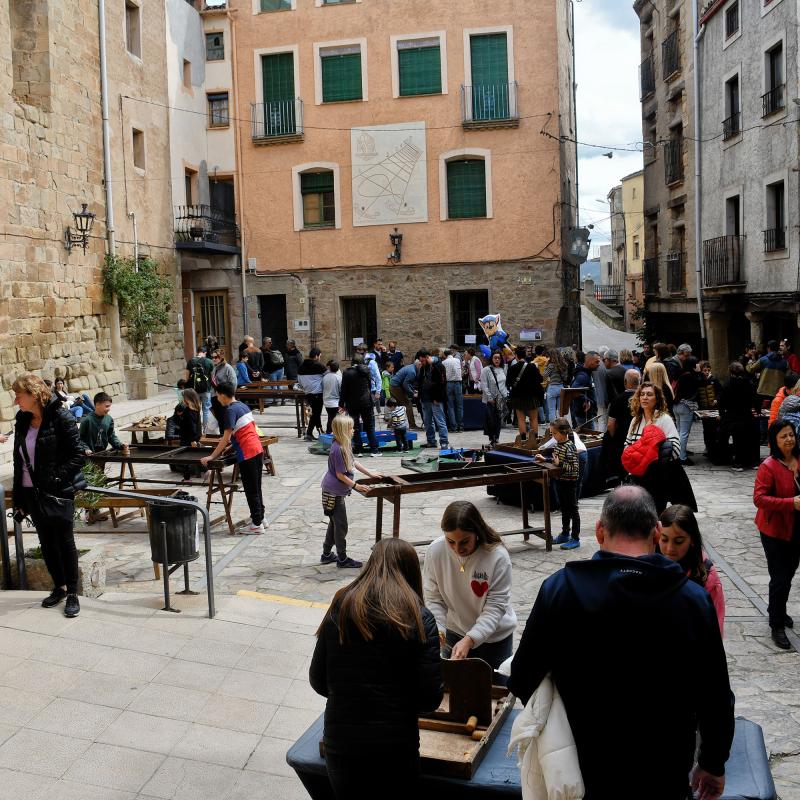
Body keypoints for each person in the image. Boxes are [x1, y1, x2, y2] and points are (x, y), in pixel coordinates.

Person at [508, 486, 735, 800]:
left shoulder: (559, 590)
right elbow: (715, 695)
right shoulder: (692, 600)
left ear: (599, 531)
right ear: (657, 533)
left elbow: (522, 678)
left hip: (586, 775)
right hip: (662, 776)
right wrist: (712, 762)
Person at [310, 538, 443, 798]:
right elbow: (429, 698)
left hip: (342, 744)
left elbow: (318, 680)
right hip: (395, 748)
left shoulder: (341, 604)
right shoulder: (418, 616)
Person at [12, 375, 86, 618]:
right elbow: (18, 462)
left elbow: (78, 455)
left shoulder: (61, 417)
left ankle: (73, 593)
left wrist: (56, 478)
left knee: (65, 542)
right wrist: (19, 500)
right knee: (47, 544)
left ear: (33, 395)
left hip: (57, 492)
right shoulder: (22, 420)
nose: (15, 401)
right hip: (32, 492)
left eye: (19, 396)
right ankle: (60, 588)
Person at [423, 501, 517, 674]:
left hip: (494, 639)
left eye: (464, 542)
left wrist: (471, 639)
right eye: (450, 541)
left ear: (477, 532)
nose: (457, 549)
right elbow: (434, 598)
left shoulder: (497, 556)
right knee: (456, 689)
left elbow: (495, 607)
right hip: (454, 631)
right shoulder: (435, 551)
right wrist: (439, 631)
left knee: (494, 691)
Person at [753, 419, 800, 650]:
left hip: (797, 529)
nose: (789, 439)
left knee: (788, 574)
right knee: (779, 578)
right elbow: (759, 499)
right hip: (775, 530)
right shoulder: (769, 466)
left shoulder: (799, 460)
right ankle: (776, 624)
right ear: (775, 440)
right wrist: (791, 503)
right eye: (784, 436)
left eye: (791, 434)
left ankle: (777, 609)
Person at [201, 382, 266, 535]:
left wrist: (212, 455)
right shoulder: (242, 406)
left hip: (248, 452)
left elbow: (225, 437)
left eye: (217, 395)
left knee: (251, 489)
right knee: (257, 487)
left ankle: (257, 525)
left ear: (223, 394)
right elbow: (244, 431)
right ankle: (261, 518)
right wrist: (232, 447)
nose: (217, 399)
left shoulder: (229, 410)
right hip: (257, 448)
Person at [320, 414, 383, 568]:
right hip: (333, 493)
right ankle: (342, 558)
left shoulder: (343, 444)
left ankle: (327, 554)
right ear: (343, 430)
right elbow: (340, 474)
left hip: (334, 491)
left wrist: (370, 473)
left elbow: (354, 462)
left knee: (334, 524)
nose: (354, 430)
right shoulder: (338, 449)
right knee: (341, 526)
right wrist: (355, 486)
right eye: (351, 428)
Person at [623, 382, 691, 513]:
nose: (645, 397)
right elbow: (627, 445)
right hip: (639, 477)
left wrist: (654, 458)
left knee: (656, 511)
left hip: (659, 478)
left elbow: (676, 448)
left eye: (649, 394)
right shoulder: (635, 421)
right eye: (642, 394)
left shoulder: (664, 419)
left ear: (657, 398)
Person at [659, 505, 726, 635]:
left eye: (678, 541)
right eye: (664, 539)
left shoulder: (706, 577)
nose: (669, 548)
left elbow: (714, 628)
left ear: (692, 540)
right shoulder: (647, 566)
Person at [536, 417, 580, 549]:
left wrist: (559, 463)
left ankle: (575, 538)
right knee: (564, 508)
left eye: (554, 434)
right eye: (552, 434)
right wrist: (546, 459)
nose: (553, 436)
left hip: (569, 482)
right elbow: (556, 460)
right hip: (560, 481)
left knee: (572, 510)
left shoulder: (570, 446)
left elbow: (574, 467)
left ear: (564, 432)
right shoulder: (558, 445)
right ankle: (565, 533)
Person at [718, 362, 761, 471]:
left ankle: (738, 463)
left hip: (733, 416)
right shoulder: (749, 383)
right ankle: (754, 462)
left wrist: (722, 415)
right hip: (747, 414)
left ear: (731, 372)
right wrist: (757, 410)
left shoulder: (727, 384)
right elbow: (756, 398)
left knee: (738, 439)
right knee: (751, 438)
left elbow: (721, 401)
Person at [340, 354, 381, 457]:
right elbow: (370, 386)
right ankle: (374, 450)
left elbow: (344, 390)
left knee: (355, 426)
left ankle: (358, 450)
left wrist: (341, 403)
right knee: (370, 426)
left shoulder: (347, 373)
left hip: (352, 403)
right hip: (366, 402)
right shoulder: (366, 371)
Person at [604, 368, 640, 484]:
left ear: (625, 382)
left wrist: (615, 438)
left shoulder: (617, 400)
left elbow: (611, 424)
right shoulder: (644, 398)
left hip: (622, 438)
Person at [506, 345, 544, 443]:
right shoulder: (532, 366)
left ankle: (523, 440)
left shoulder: (512, 368)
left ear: (516, 356)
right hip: (532, 396)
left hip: (518, 397)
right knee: (534, 419)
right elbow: (540, 379)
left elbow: (508, 383)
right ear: (525, 355)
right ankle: (535, 439)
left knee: (521, 419)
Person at [417, 349, 449, 449]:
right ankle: (431, 441)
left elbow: (442, 383)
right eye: (420, 361)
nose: (421, 363)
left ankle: (444, 442)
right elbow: (421, 382)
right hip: (425, 398)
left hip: (435, 399)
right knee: (427, 421)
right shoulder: (423, 368)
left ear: (427, 358)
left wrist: (437, 397)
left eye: (422, 360)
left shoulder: (438, 366)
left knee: (440, 421)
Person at [479, 350, 507, 448]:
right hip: (490, 398)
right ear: (492, 359)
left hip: (501, 398)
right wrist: (490, 397)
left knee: (499, 419)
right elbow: (484, 384)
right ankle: (492, 437)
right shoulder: (486, 370)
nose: (497, 360)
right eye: (495, 358)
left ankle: (497, 437)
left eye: (499, 358)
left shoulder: (504, 368)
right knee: (491, 419)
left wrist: (506, 395)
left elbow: (505, 384)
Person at [298, 347, 327, 441]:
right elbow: (328, 377)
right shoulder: (319, 366)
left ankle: (319, 432)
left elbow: (299, 380)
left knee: (315, 413)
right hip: (317, 393)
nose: (320, 358)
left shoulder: (301, 366)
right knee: (316, 413)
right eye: (320, 356)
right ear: (316, 356)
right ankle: (310, 433)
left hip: (307, 393)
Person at [184, 346, 213, 431]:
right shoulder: (209, 362)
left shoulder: (191, 361)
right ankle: (205, 429)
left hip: (194, 390)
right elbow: (212, 376)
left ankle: (197, 429)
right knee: (206, 410)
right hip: (206, 389)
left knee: (195, 410)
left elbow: (186, 377)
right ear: (205, 353)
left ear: (197, 352)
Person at [570, 351, 599, 429]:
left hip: (585, 413)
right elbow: (573, 390)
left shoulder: (587, 373)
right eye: (597, 361)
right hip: (583, 414)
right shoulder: (583, 376)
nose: (598, 364)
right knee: (587, 438)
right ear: (589, 361)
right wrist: (586, 400)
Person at [210, 349, 237, 430]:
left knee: (226, 421)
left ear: (221, 357)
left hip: (225, 398)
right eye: (213, 357)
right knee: (220, 421)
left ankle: (227, 439)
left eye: (216, 357)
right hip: (215, 397)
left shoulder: (228, 368)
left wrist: (228, 396)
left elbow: (233, 383)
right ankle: (222, 438)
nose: (214, 359)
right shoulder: (215, 368)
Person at [389, 359, 419, 429]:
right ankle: (412, 425)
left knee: (397, 406)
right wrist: (412, 393)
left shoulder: (411, 367)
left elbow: (407, 382)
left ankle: (390, 424)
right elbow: (406, 384)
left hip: (393, 385)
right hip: (396, 387)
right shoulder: (413, 372)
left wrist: (413, 390)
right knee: (408, 404)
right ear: (418, 365)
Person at [543, 347, 569, 422]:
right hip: (561, 388)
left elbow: (545, 376)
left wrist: (546, 367)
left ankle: (553, 429)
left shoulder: (550, 365)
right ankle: (562, 426)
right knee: (561, 411)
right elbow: (565, 378)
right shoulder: (564, 365)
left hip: (552, 388)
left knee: (552, 410)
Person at [442, 347, 464, 432]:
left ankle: (453, 426)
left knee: (450, 406)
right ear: (452, 354)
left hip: (449, 383)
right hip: (458, 383)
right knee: (459, 405)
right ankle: (460, 426)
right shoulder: (457, 360)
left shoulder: (443, 362)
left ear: (445, 355)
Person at [322, 361, 342, 434]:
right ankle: (332, 432)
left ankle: (329, 431)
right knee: (334, 418)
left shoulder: (325, 377)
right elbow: (341, 390)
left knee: (330, 417)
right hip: (335, 402)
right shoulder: (339, 378)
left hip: (326, 401)